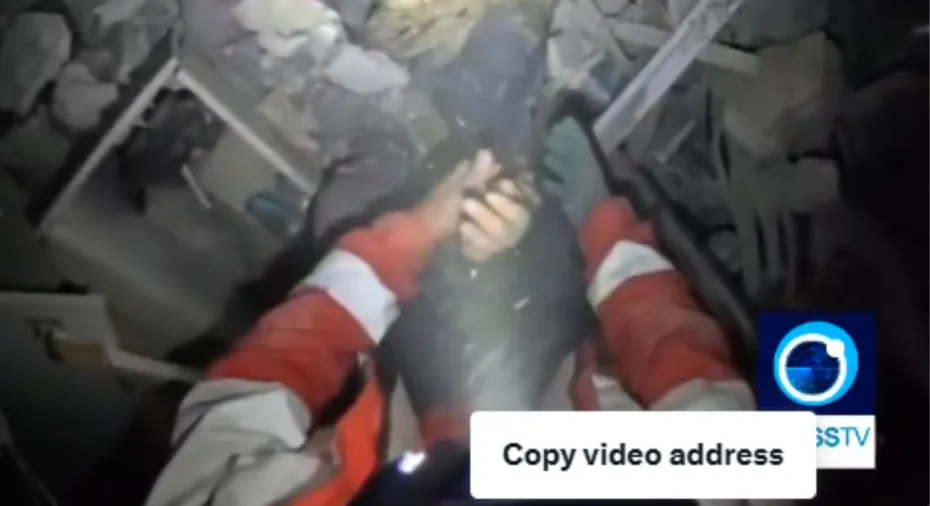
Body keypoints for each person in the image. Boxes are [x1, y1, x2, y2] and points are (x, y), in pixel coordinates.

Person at [144, 149, 753, 506]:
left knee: (348, 207)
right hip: (561, 398)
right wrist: (600, 225)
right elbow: (695, 389)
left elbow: (254, 389)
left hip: (416, 418)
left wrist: (407, 239)